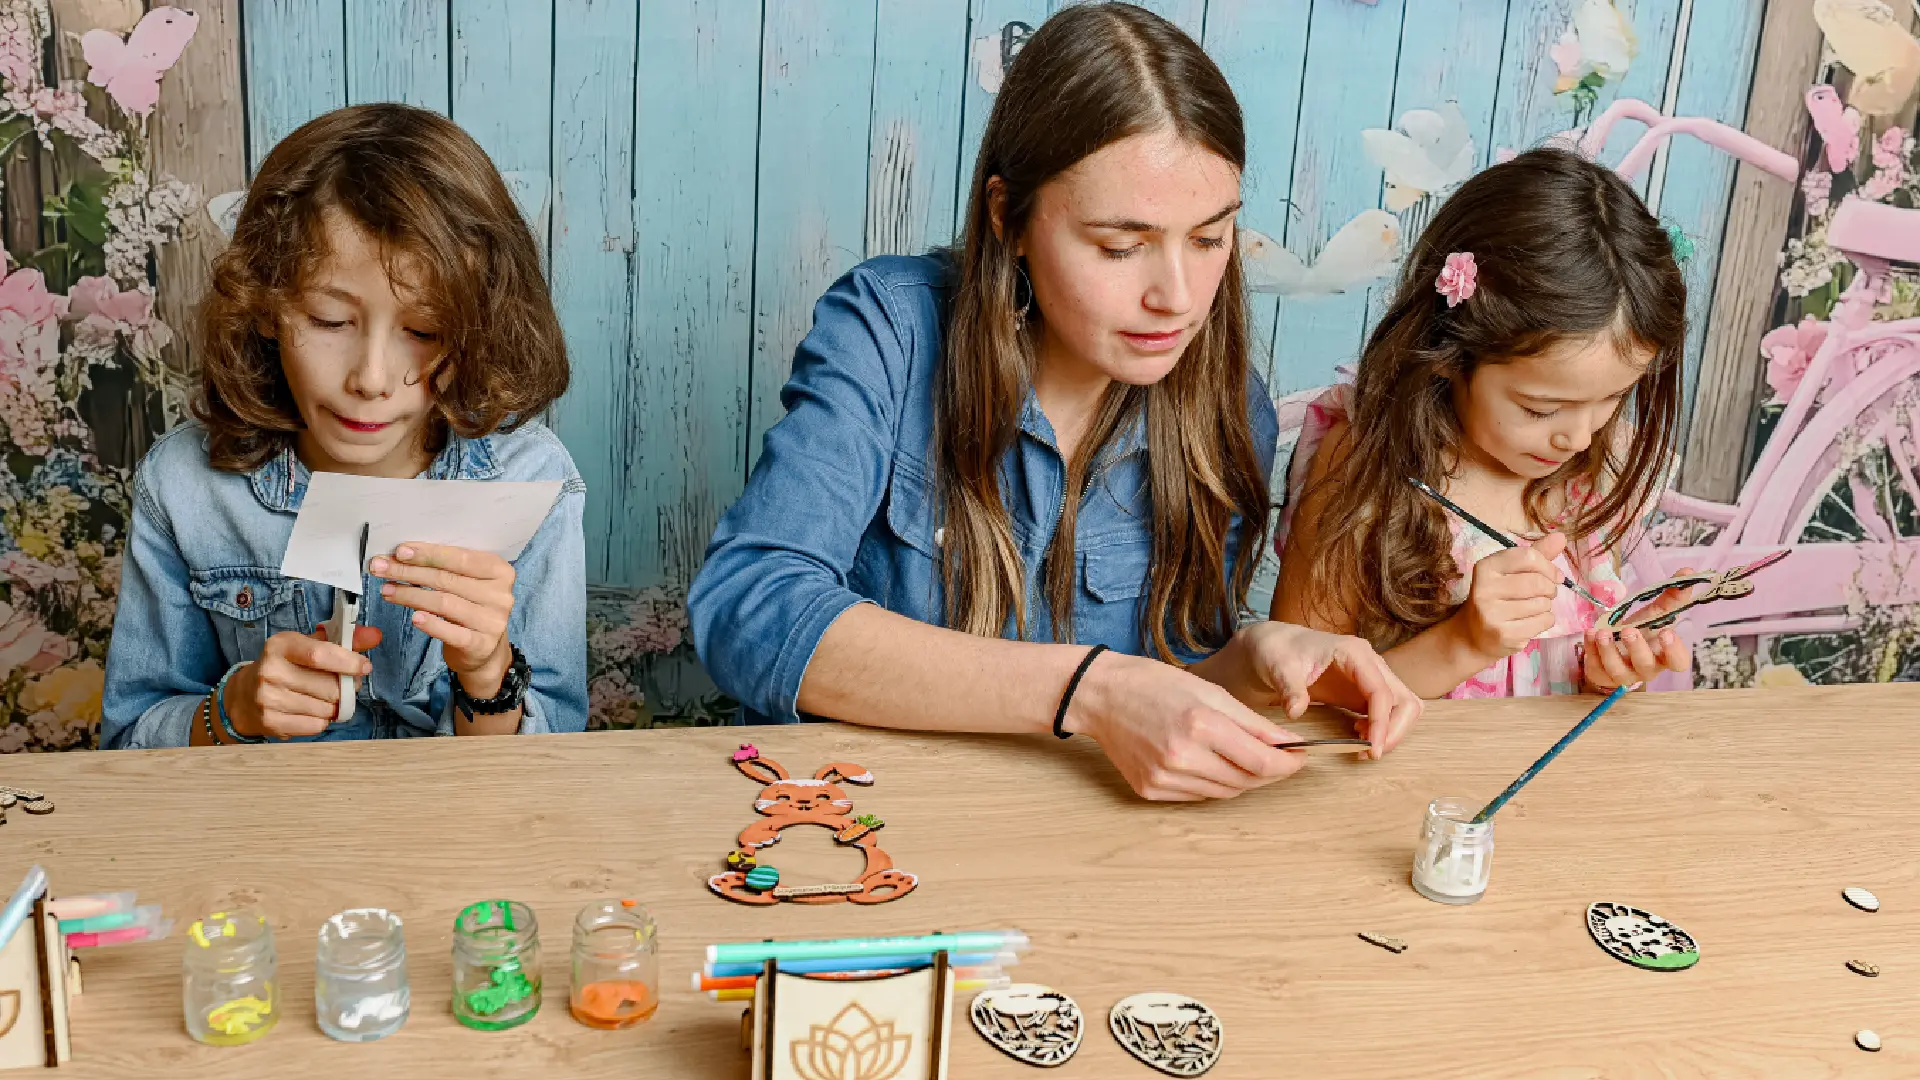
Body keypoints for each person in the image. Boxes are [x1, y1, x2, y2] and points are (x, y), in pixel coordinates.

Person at [690, 3, 1420, 802]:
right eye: (1120, 246)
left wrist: (1250, 662)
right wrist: (1089, 691)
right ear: (1009, 219)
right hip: (861, 824)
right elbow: (749, 609)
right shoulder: (889, 331)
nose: (1176, 298)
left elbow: (1159, 705)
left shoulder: (1222, 407)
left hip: (1076, 856)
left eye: (1210, 239)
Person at [101, 104, 587, 747]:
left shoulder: (534, 480)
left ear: (476, 328)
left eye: (424, 331)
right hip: (264, 834)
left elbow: (551, 768)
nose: (371, 377)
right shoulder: (188, 486)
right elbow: (127, 740)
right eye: (331, 321)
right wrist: (233, 712)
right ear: (267, 304)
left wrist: (486, 672)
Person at [1272, 147, 1697, 702]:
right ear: (1447, 353)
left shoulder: (1586, 473)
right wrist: (1464, 643)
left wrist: (1605, 672)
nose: (1578, 437)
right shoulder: (1366, 463)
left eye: (1613, 399)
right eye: (1540, 409)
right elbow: (1295, 692)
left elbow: (1560, 683)